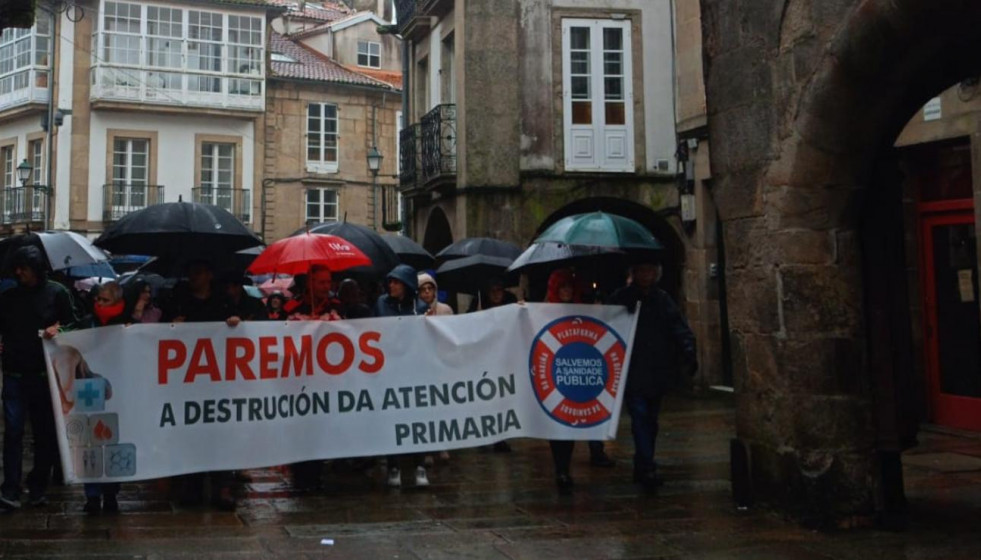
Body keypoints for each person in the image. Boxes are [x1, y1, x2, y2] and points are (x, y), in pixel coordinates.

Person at [0, 246, 77, 510]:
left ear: (36, 268)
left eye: (23, 267)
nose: (18, 272)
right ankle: (10, 488)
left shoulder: (58, 293)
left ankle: (37, 486)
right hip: (13, 373)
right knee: (13, 432)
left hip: (45, 375)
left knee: (44, 434)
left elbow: (76, 323)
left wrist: (61, 329)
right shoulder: (8, 297)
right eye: (16, 268)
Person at [609, 261, 696, 493]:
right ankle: (647, 465)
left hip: (657, 369)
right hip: (633, 368)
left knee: (651, 420)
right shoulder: (622, 298)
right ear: (634, 272)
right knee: (639, 416)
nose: (646, 275)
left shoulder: (662, 299)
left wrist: (689, 350)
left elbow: (678, 327)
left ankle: (642, 461)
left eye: (650, 271)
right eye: (642, 270)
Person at [162, 261, 239, 509]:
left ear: (209, 274)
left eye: (197, 271)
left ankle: (222, 486)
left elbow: (240, 329)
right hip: (187, 380)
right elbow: (161, 332)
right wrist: (173, 325)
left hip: (219, 379)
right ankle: (192, 486)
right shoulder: (177, 299)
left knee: (221, 433)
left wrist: (235, 324)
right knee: (191, 432)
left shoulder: (224, 300)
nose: (192, 276)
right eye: (190, 272)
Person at [542, 269, 616, 494]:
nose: (566, 291)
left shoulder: (581, 311)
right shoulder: (543, 312)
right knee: (557, 427)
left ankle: (569, 466)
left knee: (571, 424)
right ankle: (561, 469)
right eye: (562, 287)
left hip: (576, 376)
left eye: (569, 287)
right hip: (554, 376)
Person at [373, 265, 430, 487]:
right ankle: (394, 466)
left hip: (414, 371)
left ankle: (420, 465)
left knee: (416, 419)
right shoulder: (381, 304)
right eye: (390, 281)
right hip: (389, 370)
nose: (391, 285)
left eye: (396, 282)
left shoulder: (421, 307)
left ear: (406, 285)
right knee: (392, 419)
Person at [82, 282, 129, 514]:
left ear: (117, 302)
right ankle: (92, 495)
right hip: (89, 393)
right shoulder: (85, 323)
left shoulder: (129, 325)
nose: (99, 304)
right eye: (98, 300)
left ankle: (111, 493)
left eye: (104, 300)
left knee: (113, 441)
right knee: (90, 441)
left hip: (118, 393)